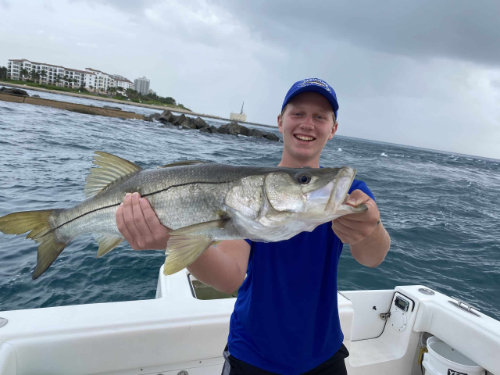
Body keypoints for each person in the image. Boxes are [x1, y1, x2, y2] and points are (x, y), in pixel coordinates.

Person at [116, 78, 391, 375]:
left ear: (333, 128)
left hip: (324, 352)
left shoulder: (346, 193)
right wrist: (174, 239)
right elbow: (229, 277)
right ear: (280, 121)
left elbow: (372, 257)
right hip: (251, 353)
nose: (307, 124)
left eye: (320, 117)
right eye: (297, 113)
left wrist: (370, 228)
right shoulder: (250, 195)